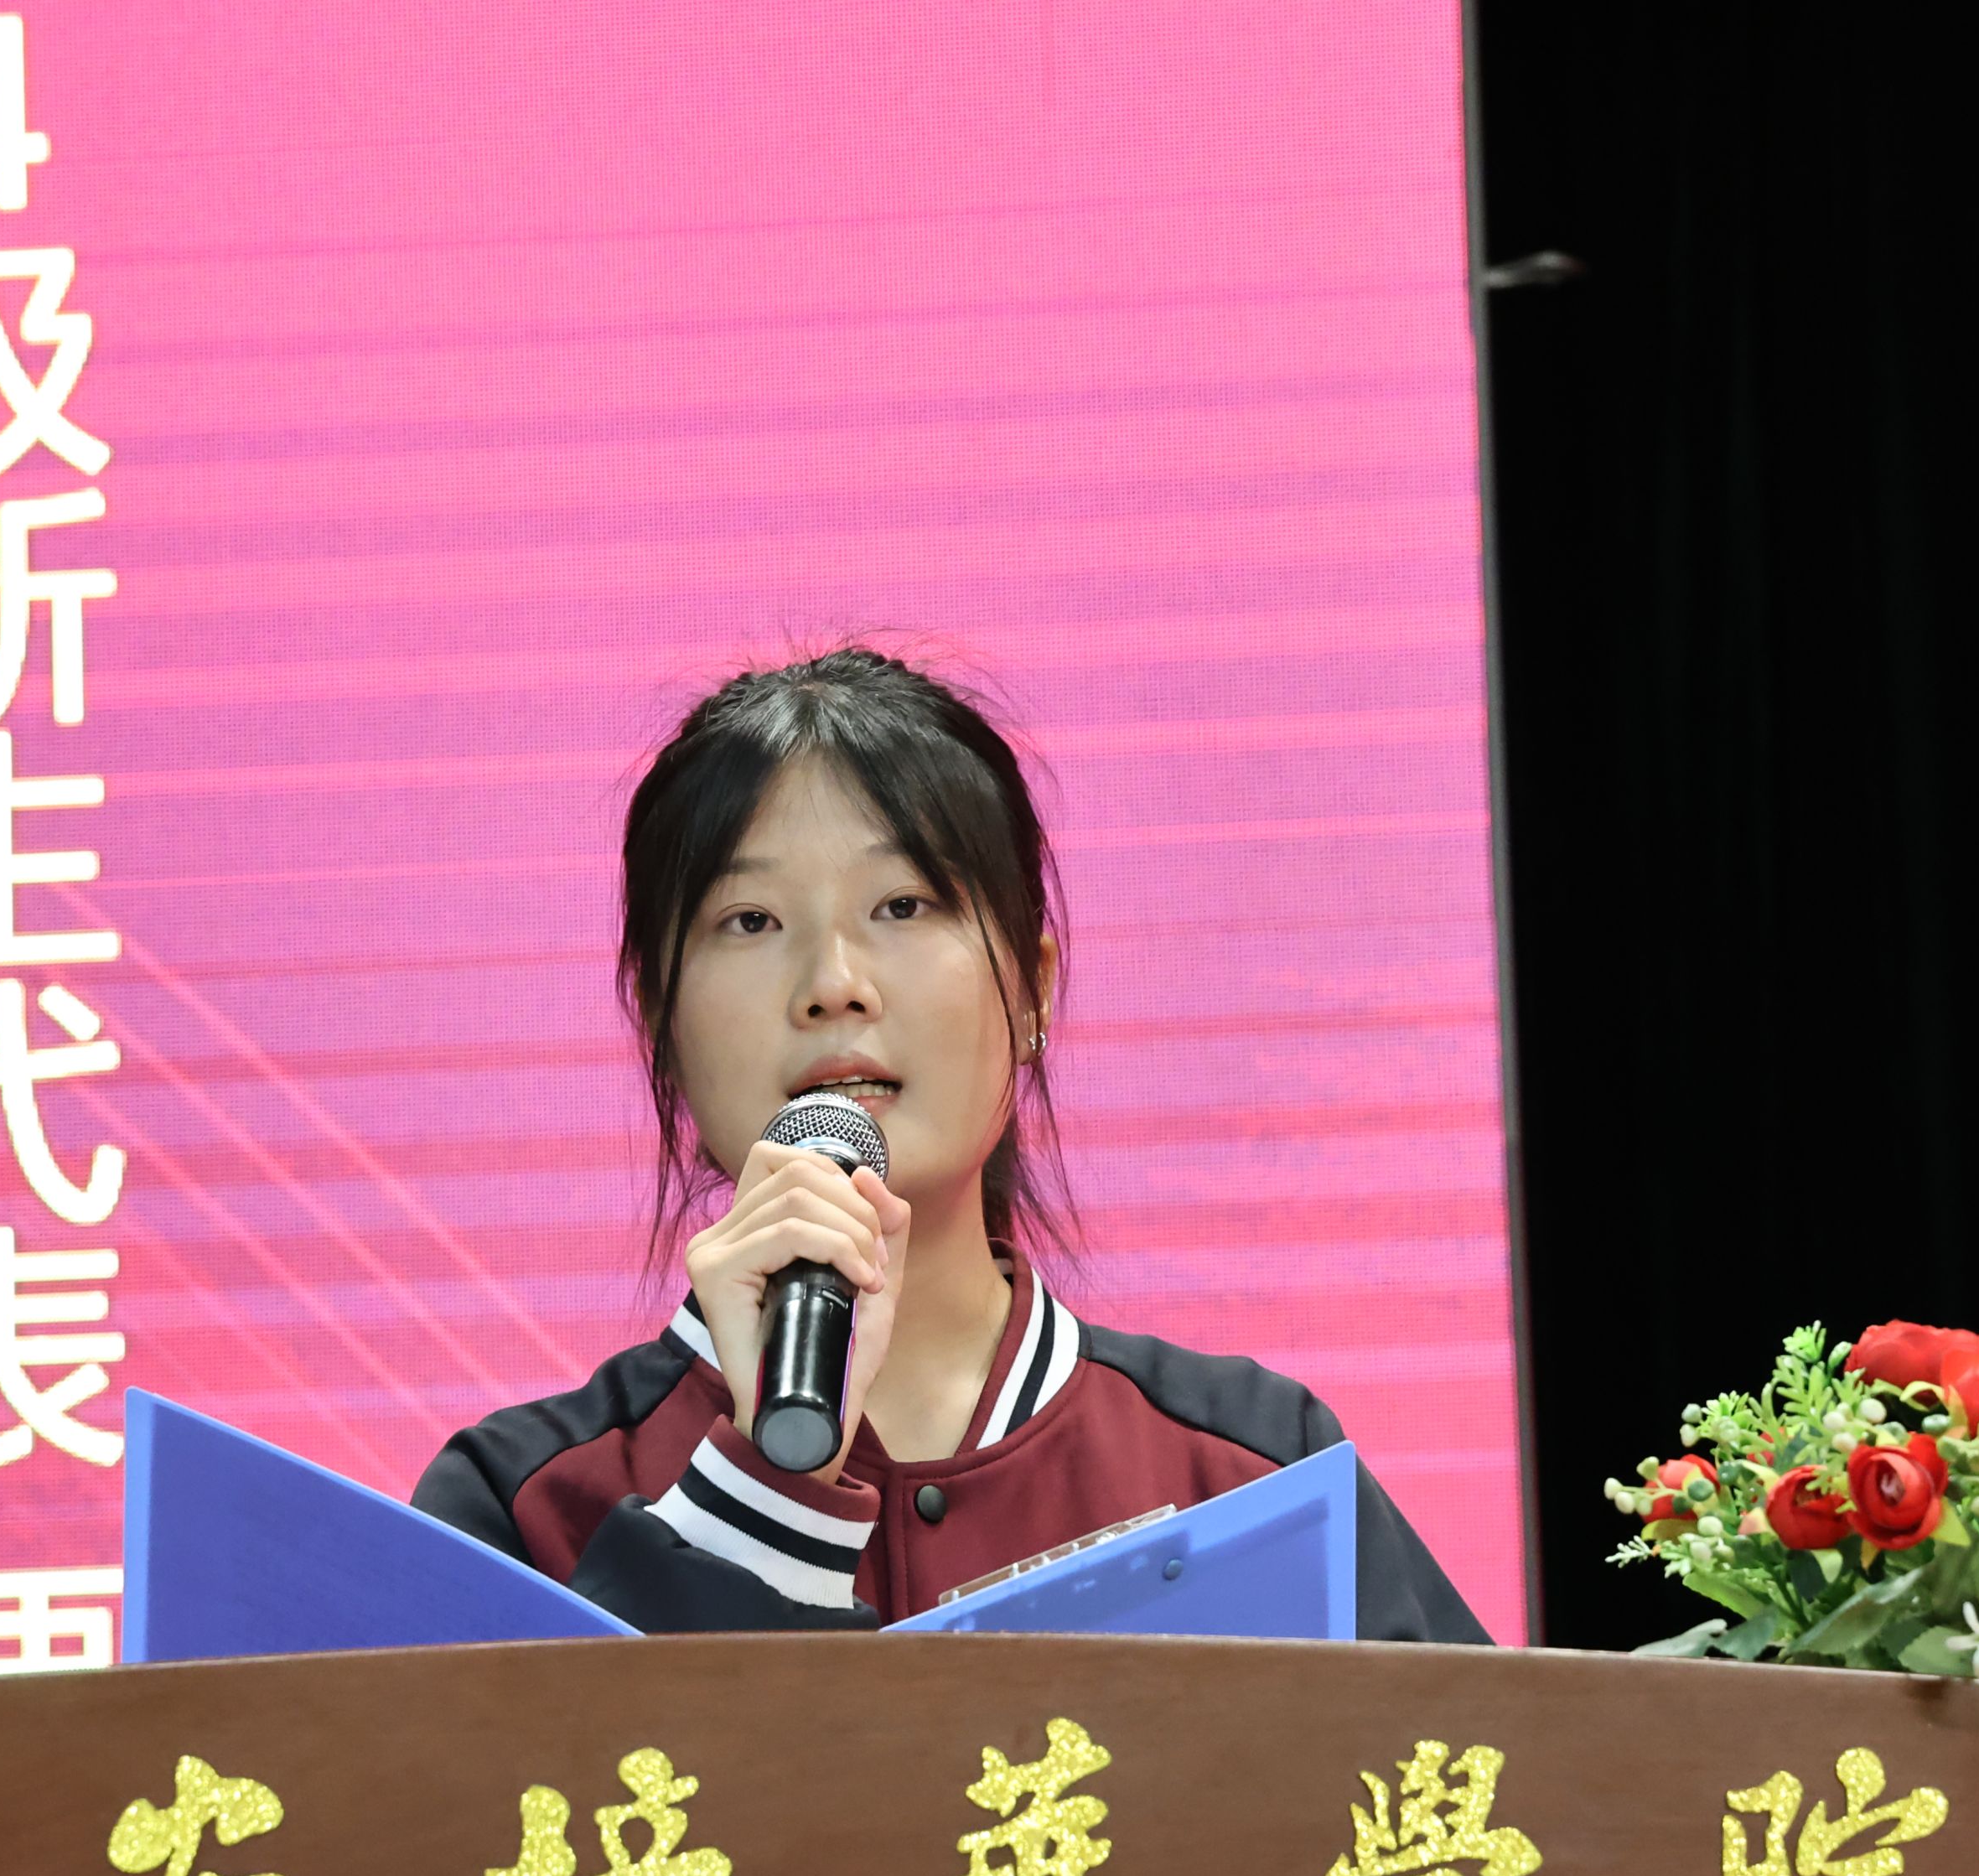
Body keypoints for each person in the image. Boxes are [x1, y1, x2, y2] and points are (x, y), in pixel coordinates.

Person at [414, 647, 1485, 1641]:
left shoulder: (1251, 1474)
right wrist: (767, 1484)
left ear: (1032, 988)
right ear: (659, 1017)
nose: (833, 985)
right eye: (750, 921)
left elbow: (1489, 1779)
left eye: (903, 904)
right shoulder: (519, 1513)